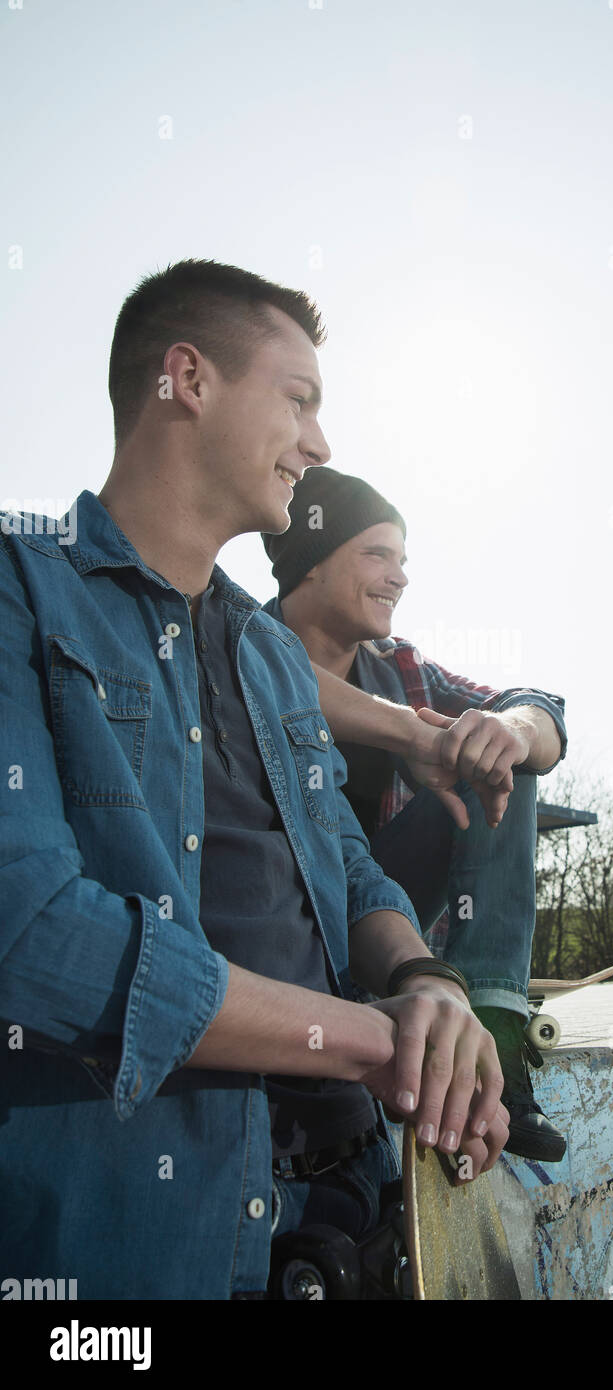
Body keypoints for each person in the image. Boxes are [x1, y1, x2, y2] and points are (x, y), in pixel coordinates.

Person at [0, 258, 508, 1301]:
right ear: (188, 379)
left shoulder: (274, 656)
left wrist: (425, 987)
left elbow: (344, 858)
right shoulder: (20, 586)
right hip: (139, 1244)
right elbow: (30, 930)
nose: (320, 444)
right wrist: (368, 1039)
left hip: (349, 1202)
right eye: (300, 400)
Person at [261, 468, 569, 1162]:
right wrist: (406, 732)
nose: (399, 577)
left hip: (391, 930)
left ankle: (491, 1030)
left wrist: (517, 730)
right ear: (309, 561)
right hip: (285, 930)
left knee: (496, 752)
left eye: (404, 560)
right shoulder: (238, 645)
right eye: (378, 554)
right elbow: (265, 671)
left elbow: (538, 708)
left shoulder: (402, 669)